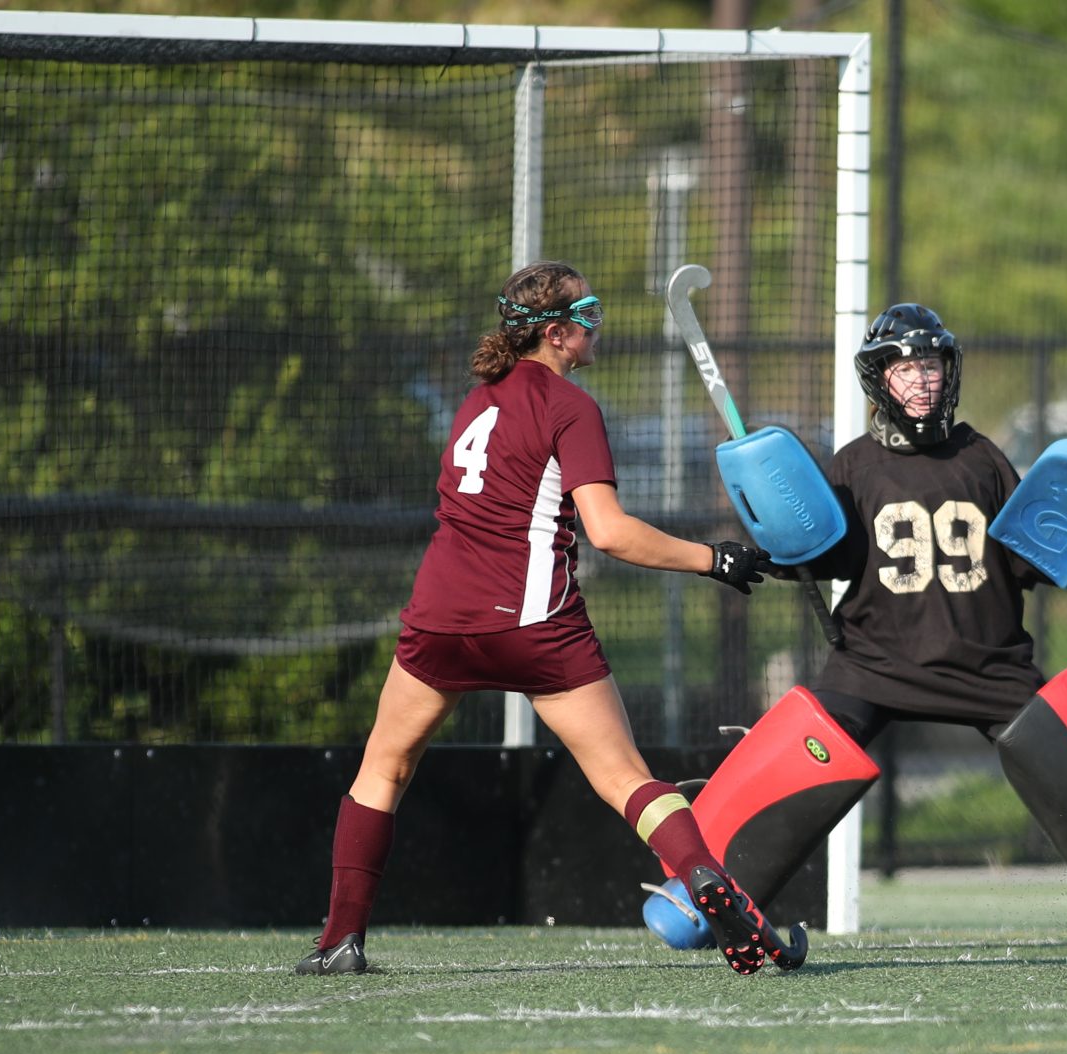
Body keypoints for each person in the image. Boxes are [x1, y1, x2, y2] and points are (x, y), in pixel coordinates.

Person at [640, 303, 1067, 953]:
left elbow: (1028, 553)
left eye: (931, 366)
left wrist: (1066, 551)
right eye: (905, 370)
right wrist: (774, 548)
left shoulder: (983, 457)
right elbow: (819, 550)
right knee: (798, 749)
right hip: (875, 660)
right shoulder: (854, 465)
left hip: (989, 661)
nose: (922, 381)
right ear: (878, 381)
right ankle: (699, 886)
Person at [297, 261, 801, 977]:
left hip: (440, 622)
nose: (597, 329)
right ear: (557, 333)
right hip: (535, 628)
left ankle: (340, 940)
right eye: (586, 316)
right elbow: (611, 532)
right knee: (626, 777)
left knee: (382, 768)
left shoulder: (476, 402)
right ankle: (704, 878)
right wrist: (715, 560)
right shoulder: (572, 406)